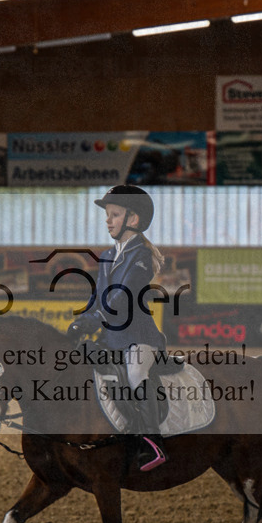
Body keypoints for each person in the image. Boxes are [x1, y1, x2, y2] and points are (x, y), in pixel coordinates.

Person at [67, 184, 169, 471]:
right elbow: (98, 297)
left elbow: (121, 297)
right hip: (110, 338)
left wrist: (94, 320)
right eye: (107, 215)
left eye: (114, 215)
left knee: (136, 372)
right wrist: (80, 320)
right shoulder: (107, 256)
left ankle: (153, 442)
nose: (108, 220)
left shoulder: (141, 256)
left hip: (139, 337)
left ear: (132, 219)